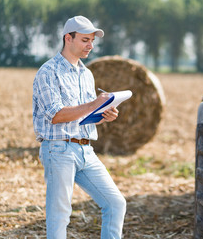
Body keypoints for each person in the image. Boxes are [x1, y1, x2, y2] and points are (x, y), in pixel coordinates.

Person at [32, 15, 126, 239]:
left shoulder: (86, 74)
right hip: (58, 150)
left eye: (92, 41)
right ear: (68, 38)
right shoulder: (48, 72)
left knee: (115, 203)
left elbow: (83, 115)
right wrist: (94, 103)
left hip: (86, 150)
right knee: (60, 215)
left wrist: (102, 115)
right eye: (85, 40)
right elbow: (56, 115)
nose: (90, 46)